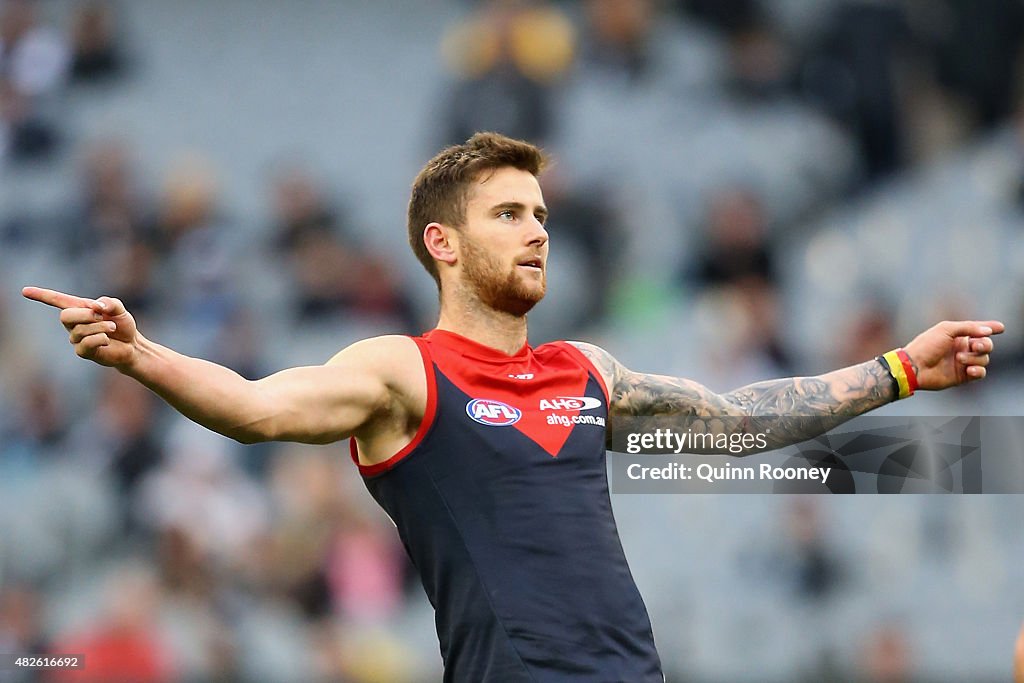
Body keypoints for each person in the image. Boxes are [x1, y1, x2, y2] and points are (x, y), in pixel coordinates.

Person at [23, 132, 1004, 681]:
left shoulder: (585, 370)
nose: (536, 232)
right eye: (507, 214)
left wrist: (900, 370)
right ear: (442, 244)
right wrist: (143, 354)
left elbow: (738, 419)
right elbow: (257, 407)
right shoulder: (404, 370)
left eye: (539, 214)